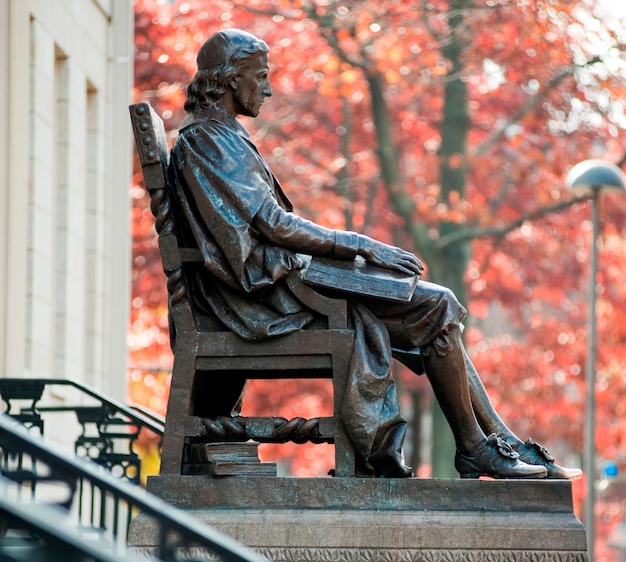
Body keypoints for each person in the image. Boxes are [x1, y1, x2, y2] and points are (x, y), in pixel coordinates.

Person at [167, 28, 581, 480]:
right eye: (260, 76)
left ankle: (491, 443)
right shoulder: (209, 139)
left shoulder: (218, 136)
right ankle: (482, 448)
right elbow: (273, 224)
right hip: (263, 295)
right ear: (230, 80)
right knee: (437, 303)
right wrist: (365, 245)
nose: (267, 87)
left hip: (278, 282)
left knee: (436, 308)